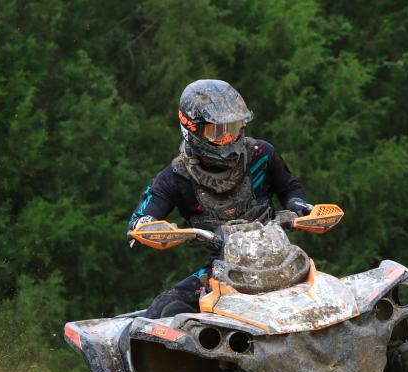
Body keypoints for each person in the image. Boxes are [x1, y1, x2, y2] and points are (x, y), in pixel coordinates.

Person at [127, 79, 311, 318]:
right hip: (223, 268)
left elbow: (289, 187)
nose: (228, 139)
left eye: (233, 128)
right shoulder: (175, 176)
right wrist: (148, 226)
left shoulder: (261, 154)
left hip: (280, 258)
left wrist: (297, 205)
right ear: (192, 129)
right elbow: (139, 220)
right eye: (217, 132)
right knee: (161, 312)